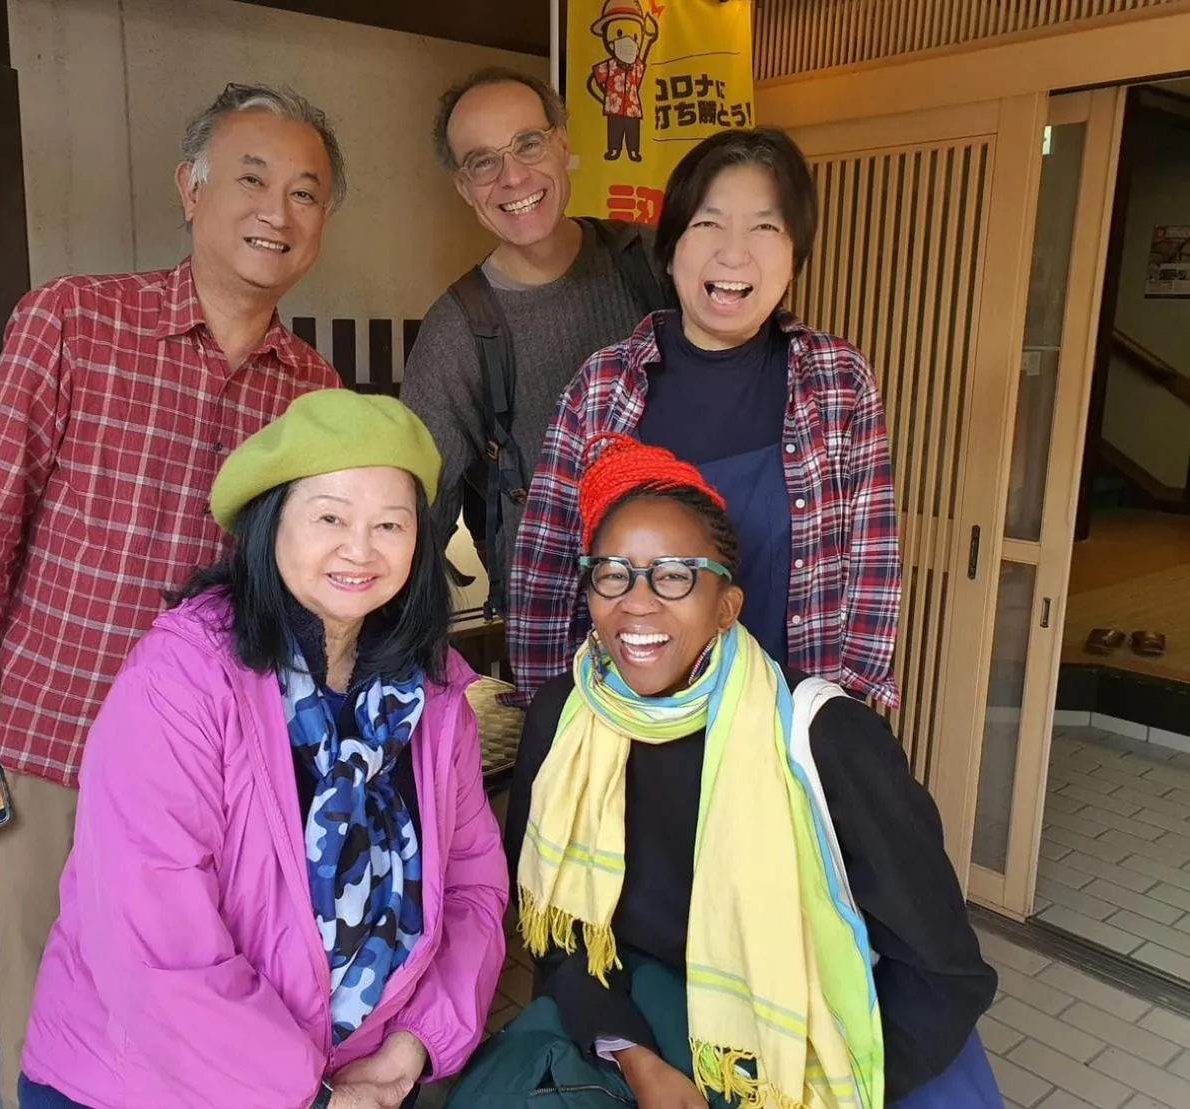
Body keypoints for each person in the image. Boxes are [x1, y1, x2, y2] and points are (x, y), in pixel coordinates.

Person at [0, 83, 346, 1108]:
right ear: (190, 190)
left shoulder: (315, 395)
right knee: (44, 977)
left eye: (305, 193)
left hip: (219, 756)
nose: (275, 212)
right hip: (59, 725)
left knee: (192, 985)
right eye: (250, 178)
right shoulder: (74, 317)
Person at [450, 435, 999, 1109]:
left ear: (726, 605)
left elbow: (943, 976)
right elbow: (563, 938)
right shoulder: (562, 720)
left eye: (675, 574)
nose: (638, 602)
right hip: (633, 1021)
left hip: (802, 1044)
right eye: (612, 574)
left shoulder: (824, 737)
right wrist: (635, 1056)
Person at [17, 390, 509, 1109]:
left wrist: (414, 1046)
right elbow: (154, 946)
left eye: (389, 524)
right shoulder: (180, 681)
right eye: (330, 517)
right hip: (145, 1084)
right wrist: (309, 1097)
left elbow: (474, 888)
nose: (359, 549)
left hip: (357, 1073)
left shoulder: (429, 701)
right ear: (270, 522)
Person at [507, 127, 901, 709]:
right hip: (627, 727)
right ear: (670, 249)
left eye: (766, 227)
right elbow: (547, 572)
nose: (734, 253)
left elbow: (872, 563)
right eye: (708, 223)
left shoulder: (837, 380)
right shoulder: (604, 384)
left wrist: (842, 726)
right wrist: (550, 721)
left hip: (783, 728)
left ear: (796, 256)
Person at [400, 67, 666, 617]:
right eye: (483, 161)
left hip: (689, 592)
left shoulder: (654, 262)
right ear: (463, 186)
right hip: (554, 621)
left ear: (563, 143)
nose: (513, 176)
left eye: (528, 143)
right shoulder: (459, 326)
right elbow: (419, 512)